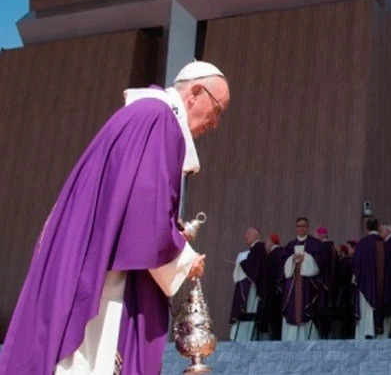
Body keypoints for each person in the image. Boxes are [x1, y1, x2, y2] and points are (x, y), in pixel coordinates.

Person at [0, 61, 229, 374]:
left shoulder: (139, 116)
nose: (215, 123)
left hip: (91, 255)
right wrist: (185, 259)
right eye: (218, 109)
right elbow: (145, 214)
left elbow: (130, 201)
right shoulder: (157, 118)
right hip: (102, 277)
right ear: (195, 93)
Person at [281, 216, 326, 340]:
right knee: (291, 310)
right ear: (296, 228)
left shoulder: (315, 244)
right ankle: (291, 338)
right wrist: (292, 259)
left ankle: (307, 337)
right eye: (299, 226)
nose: (302, 228)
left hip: (308, 285)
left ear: (308, 227)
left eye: (304, 226)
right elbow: (283, 263)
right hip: (293, 284)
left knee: (306, 309)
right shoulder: (290, 245)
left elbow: (320, 263)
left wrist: (305, 258)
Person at [229, 227, 267, 341]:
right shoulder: (253, 250)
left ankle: (245, 337)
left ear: (257, 235)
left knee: (249, 309)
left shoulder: (259, 247)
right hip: (246, 285)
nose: (246, 236)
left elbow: (256, 267)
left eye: (248, 233)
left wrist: (242, 263)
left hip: (251, 288)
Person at [354, 218, 386, 339]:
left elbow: (356, 263)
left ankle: (364, 333)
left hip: (364, 283)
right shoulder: (383, 243)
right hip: (380, 285)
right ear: (378, 228)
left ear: (366, 228)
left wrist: (356, 277)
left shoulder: (362, 243)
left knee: (364, 309)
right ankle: (375, 332)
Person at [261, 233, 284, 340]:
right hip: (283, 292)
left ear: (271, 242)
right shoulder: (283, 252)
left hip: (273, 293)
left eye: (266, 243)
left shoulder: (272, 255)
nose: (265, 245)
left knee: (274, 321)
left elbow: (267, 277)